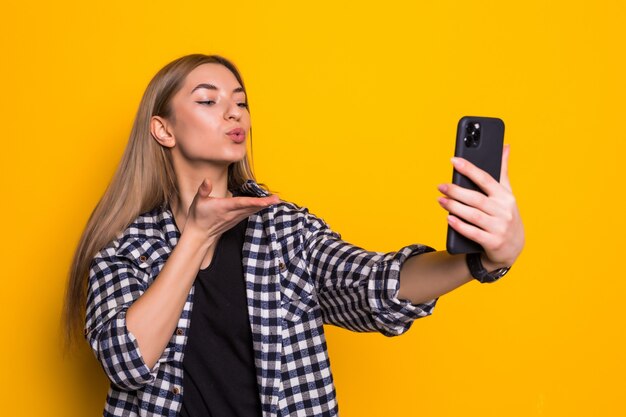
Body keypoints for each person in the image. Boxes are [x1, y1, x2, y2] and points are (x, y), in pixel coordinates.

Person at [63, 53, 525, 417]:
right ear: (162, 129)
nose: (233, 113)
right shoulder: (128, 251)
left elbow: (373, 285)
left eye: (240, 102)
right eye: (209, 101)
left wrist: (482, 260)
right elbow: (126, 362)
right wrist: (195, 237)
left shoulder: (283, 230)